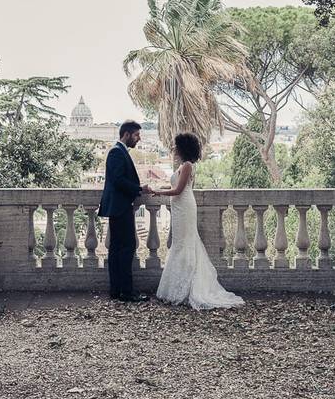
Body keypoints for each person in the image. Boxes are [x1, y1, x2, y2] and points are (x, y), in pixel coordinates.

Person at [153, 132, 245, 310]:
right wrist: (162, 188)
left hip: (184, 206)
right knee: (181, 243)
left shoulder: (187, 165)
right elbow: (175, 186)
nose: (174, 149)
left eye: (176, 146)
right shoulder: (183, 166)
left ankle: (185, 287)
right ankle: (177, 286)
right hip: (181, 207)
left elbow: (179, 190)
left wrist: (159, 193)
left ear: (182, 148)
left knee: (185, 243)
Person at [98, 120, 155, 302]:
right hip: (120, 207)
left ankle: (117, 291)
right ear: (127, 134)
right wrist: (139, 189)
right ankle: (126, 292)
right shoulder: (116, 152)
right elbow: (118, 180)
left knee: (116, 249)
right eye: (137, 135)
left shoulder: (119, 151)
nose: (139, 139)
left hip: (118, 206)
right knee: (126, 248)